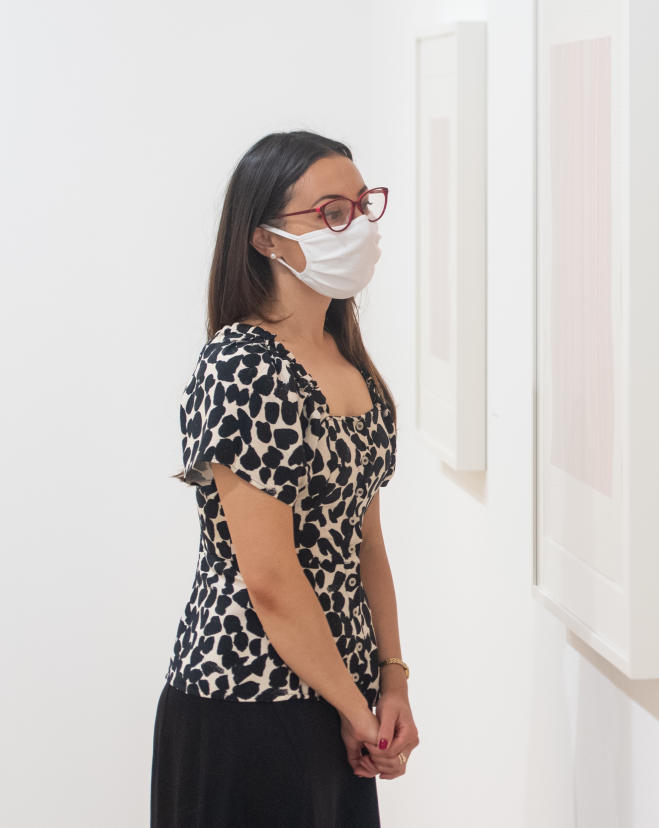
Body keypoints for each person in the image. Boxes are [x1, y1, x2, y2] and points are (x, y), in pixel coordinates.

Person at [150, 130, 417, 827]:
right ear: (265, 239)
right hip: (247, 704)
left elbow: (368, 547)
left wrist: (393, 683)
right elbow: (268, 576)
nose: (353, 226)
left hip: (338, 704)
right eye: (331, 212)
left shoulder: (350, 364)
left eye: (362, 207)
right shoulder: (243, 365)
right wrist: (357, 709)